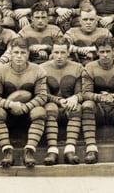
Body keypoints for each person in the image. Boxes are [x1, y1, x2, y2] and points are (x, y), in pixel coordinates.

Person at [0, 37, 48, 168]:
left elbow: (42, 96)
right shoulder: (0, 71)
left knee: (40, 111)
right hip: (8, 112)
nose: (19, 56)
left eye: (23, 53)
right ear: (10, 53)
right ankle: (7, 150)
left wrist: (25, 107)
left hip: (28, 112)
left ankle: (30, 150)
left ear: (28, 54)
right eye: (16, 52)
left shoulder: (38, 71)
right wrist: (10, 104)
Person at [81, 36, 114, 163]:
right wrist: (100, 97)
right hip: (99, 109)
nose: (105, 55)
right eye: (102, 52)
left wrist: (113, 97)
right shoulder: (90, 67)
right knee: (87, 105)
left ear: (113, 51)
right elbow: (85, 93)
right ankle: (91, 148)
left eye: (108, 51)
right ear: (97, 52)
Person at [40, 37, 84, 165]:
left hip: (69, 105)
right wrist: (58, 100)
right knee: (50, 108)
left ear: (69, 53)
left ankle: (70, 149)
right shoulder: (42, 68)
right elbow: (42, 93)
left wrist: (75, 98)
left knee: (77, 108)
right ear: (51, 53)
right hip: (52, 106)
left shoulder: (77, 67)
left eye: (63, 52)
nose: (59, 56)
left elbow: (82, 91)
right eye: (56, 52)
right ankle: (52, 150)